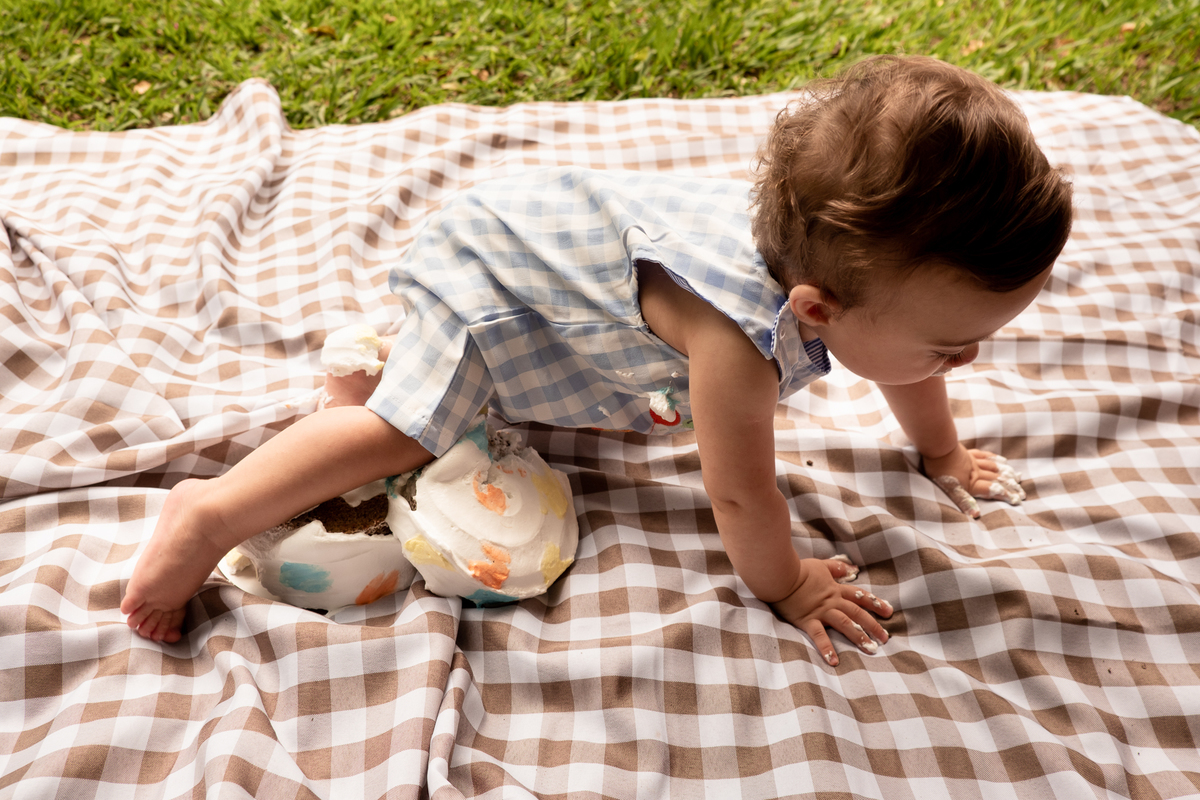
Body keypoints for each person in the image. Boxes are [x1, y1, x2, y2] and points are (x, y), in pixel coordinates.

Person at [122, 55, 1073, 666]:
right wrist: (788, 584)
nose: (967, 358)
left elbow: (916, 367)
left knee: (420, 411)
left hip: (553, 240)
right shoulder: (739, 349)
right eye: (952, 345)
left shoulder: (831, 266)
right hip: (496, 287)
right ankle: (207, 518)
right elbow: (743, 499)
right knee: (401, 431)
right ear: (815, 309)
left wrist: (941, 455)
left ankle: (376, 367)